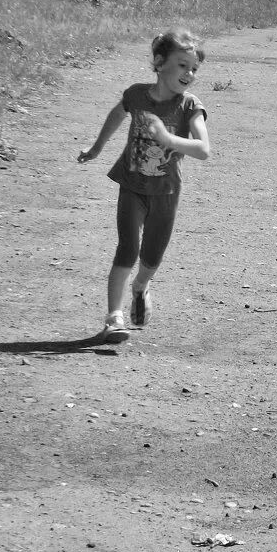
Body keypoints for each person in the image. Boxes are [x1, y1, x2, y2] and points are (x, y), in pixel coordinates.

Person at [77, 29, 210, 340]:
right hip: (132, 185)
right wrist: (96, 148)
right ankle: (114, 317)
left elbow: (203, 150)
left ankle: (141, 285)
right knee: (127, 248)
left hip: (166, 192)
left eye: (194, 68)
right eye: (182, 65)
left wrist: (167, 138)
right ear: (160, 62)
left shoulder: (189, 106)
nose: (188, 74)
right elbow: (117, 113)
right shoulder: (137, 95)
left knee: (151, 257)